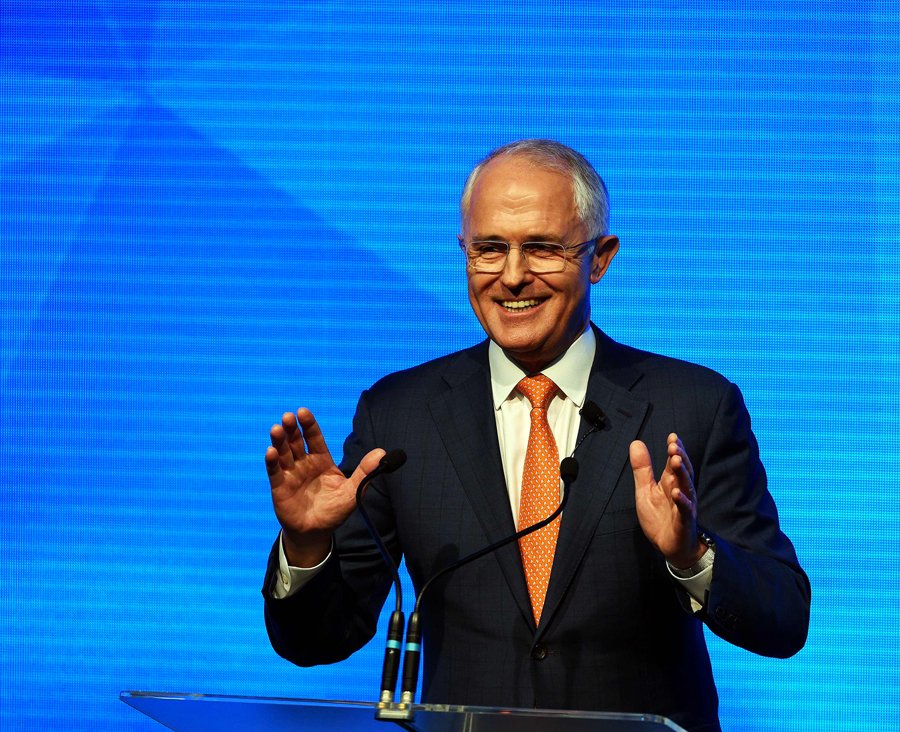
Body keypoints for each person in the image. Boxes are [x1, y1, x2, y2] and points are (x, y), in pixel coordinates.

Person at [262, 139, 810, 732]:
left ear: (599, 258)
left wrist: (691, 554)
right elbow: (316, 640)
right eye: (489, 249)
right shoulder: (400, 414)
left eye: (543, 248)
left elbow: (782, 621)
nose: (513, 276)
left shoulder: (693, 405)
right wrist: (307, 546)